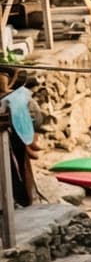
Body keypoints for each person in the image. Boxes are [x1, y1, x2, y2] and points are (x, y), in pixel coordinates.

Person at [2, 70, 35, 207]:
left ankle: (22, 199)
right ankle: (20, 199)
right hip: (11, 136)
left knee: (18, 165)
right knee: (14, 166)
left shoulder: (16, 97)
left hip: (14, 135)